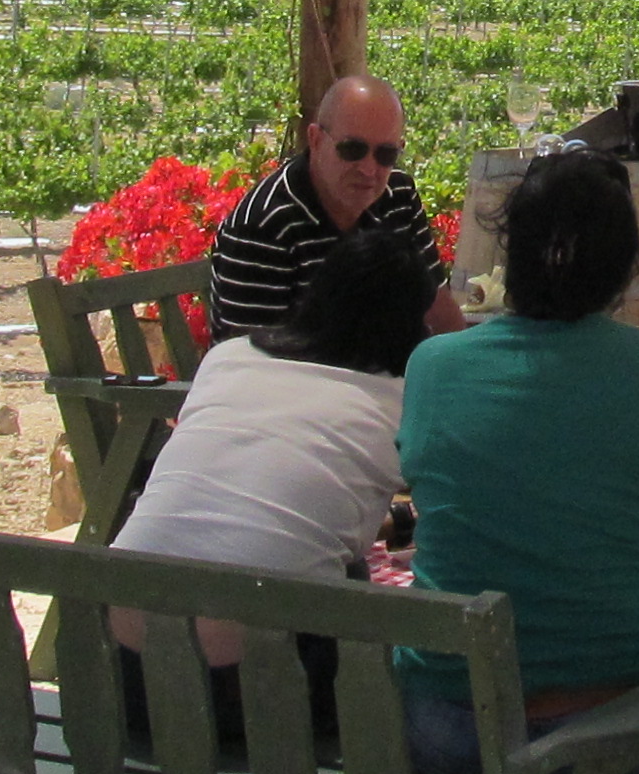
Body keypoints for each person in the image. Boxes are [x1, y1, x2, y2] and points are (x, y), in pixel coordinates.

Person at [391, 145, 639, 774]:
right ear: (627, 264)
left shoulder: (432, 366)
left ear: (510, 253)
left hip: (451, 738)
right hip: (615, 745)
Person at [107, 224, 443, 743]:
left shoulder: (229, 357)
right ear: (413, 320)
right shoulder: (403, 397)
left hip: (125, 681)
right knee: (350, 582)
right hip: (254, 699)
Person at [208, 74, 457, 346]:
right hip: (290, 370)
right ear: (315, 140)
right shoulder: (265, 225)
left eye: (386, 154)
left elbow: (440, 312)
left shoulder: (399, 196)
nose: (368, 169)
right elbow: (251, 359)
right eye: (352, 149)